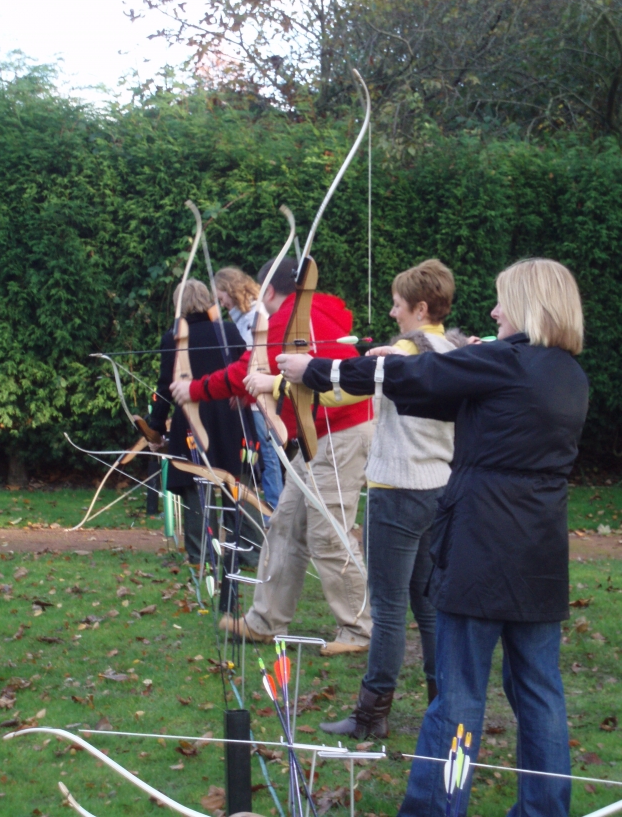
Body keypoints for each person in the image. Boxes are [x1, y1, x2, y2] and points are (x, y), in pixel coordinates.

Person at [278, 258, 588, 817]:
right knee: (540, 690)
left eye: (503, 300)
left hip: (483, 547)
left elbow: (423, 377)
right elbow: (443, 393)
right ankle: (545, 809)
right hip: (539, 551)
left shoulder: (506, 361)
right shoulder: (566, 373)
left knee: (460, 693)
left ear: (530, 305)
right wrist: (393, 365)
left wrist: (315, 370)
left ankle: (434, 808)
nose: (494, 311)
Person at [172, 257, 374, 656]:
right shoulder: (309, 312)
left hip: (339, 433)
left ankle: (360, 630)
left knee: (328, 532)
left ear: (268, 290)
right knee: (285, 525)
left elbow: (248, 370)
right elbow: (260, 373)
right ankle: (264, 621)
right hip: (322, 434)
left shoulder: (289, 319)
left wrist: (194, 390)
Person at [319, 259, 464, 739]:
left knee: (387, 608)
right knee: (427, 605)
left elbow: (338, 393)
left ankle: (371, 715)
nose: (391, 311)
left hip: (397, 493)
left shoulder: (403, 352)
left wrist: (286, 380)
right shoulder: (453, 349)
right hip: (438, 492)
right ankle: (442, 705)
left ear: (420, 308)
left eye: (398, 304)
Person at [146, 279, 250, 565]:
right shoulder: (228, 330)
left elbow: (166, 386)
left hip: (194, 415)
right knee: (235, 480)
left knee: (196, 481)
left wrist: (156, 426)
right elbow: (247, 369)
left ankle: (202, 552)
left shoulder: (174, 337)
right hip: (230, 414)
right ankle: (248, 551)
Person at [214, 266, 284, 510]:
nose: (221, 302)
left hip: (261, 393)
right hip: (255, 391)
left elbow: (256, 358)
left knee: (269, 452)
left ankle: (274, 508)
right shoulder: (245, 314)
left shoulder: (255, 314)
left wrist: (243, 392)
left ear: (229, 289)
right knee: (266, 451)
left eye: (221, 296)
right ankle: (274, 506)